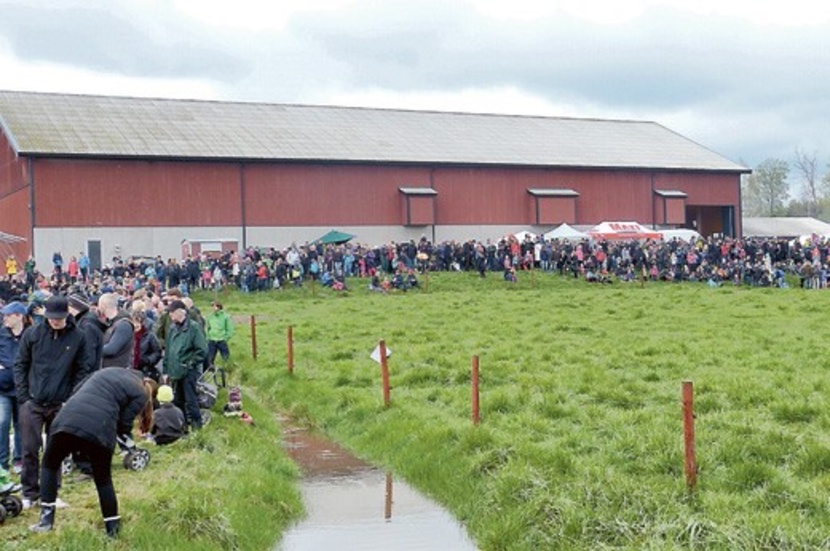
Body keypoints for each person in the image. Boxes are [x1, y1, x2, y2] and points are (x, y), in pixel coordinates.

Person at [29, 367, 153, 537]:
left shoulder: (105, 371)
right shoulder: (140, 392)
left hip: (67, 419)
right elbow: (124, 424)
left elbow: (76, 390)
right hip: (99, 428)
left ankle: (45, 521)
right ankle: (112, 530)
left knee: (50, 465)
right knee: (103, 480)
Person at [14, 295, 91, 508]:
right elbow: (20, 364)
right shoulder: (32, 334)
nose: (54, 321)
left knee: (55, 449)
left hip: (61, 403)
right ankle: (29, 493)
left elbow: (82, 369)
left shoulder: (78, 337)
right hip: (33, 402)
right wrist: (24, 397)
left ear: (66, 314)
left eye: (58, 317)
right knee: (29, 448)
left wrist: (71, 399)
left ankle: (51, 493)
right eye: (51, 317)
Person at [163, 300, 207, 430]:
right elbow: (168, 351)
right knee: (177, 401)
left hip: (188, 371)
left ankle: (197, 427)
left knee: (191, 400)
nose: (170, 316)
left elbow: (202, 350)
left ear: (179, 312)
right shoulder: (172, 329)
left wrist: (189, 364)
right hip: (174, 371)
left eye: (172, 313)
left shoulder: (193, 327)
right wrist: (166, 371)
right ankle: (182, 427)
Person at [0, 301, 28, 474]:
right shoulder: (1, 334)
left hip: (23, 387)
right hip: (2, 387)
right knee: (2, 422)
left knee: (21, 424)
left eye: (8, 316)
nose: (4, 319)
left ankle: (20, 459)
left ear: (19, 316)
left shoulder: (31, 335)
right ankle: (2, 461)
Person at [98, 292, 135, 368]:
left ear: (103, 306)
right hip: (110, 370)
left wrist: (92, 349)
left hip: (118, 372)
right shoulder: (112, 322)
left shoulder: (124, 325)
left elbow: (111, 349)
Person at [131, 309, 162, 382]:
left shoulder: (150, 335)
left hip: (145, 369)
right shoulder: (127, 334)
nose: (136, 325)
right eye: (134, 322)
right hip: (130, 369)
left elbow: (157, 352)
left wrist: (148, 360)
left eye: (138, 322)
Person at [205, 300, 233, 368]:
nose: (213, 308)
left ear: (219, 307)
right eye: (212, 306)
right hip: (212, 340)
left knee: (226, 357)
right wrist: (208, 337)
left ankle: (227, 368)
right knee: (210, 357)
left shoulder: (225, 316)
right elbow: (207, 327)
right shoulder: (210, 316)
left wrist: (225, 338)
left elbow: (229, 329)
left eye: (214, 306)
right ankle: (210, 369)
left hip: (221, 340)